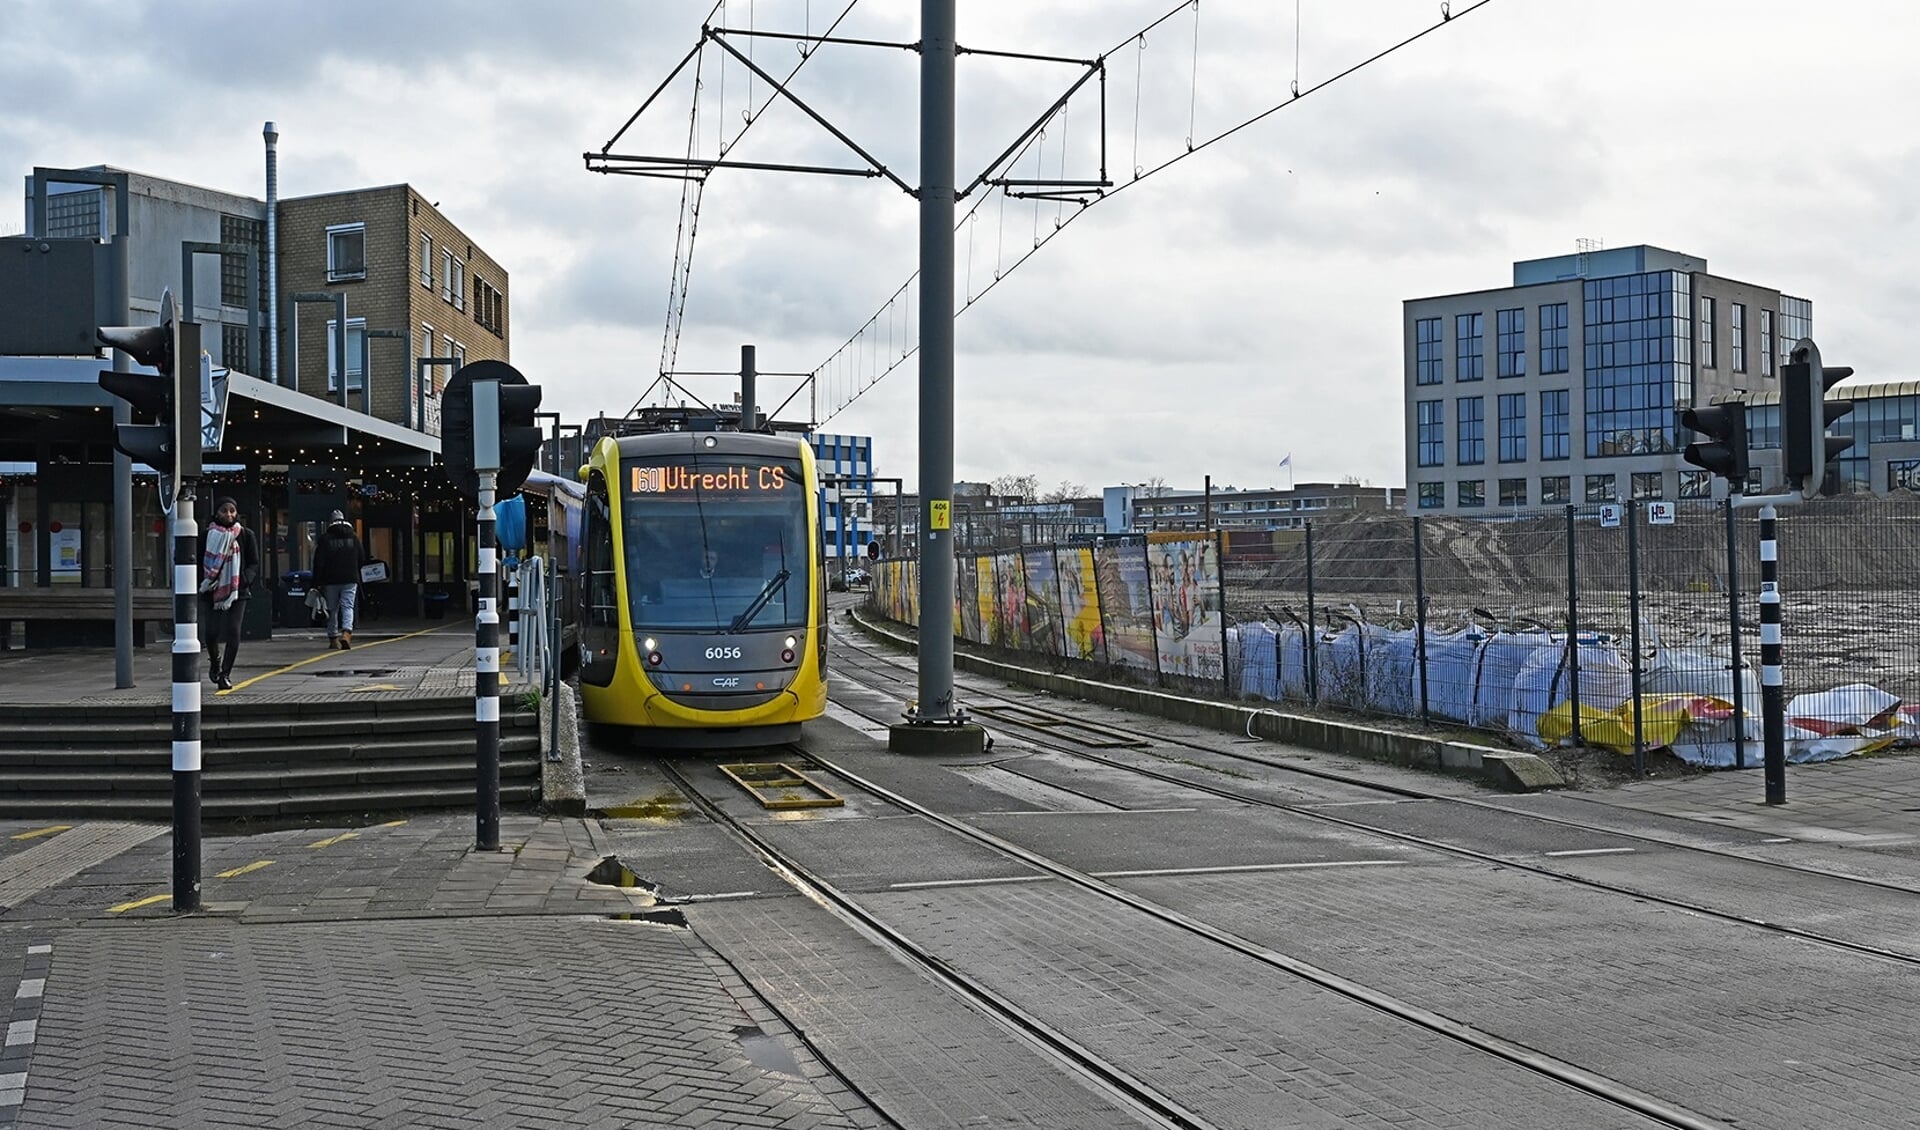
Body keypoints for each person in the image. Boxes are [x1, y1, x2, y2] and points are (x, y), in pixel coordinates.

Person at [198, 497, 260, 691]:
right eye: (224, 510)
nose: (229, 514)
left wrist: (243, 580)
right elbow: (198, 560)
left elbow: (254, 562)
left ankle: (225, 674)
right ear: (217, 513)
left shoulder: (245, 535)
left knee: (234, 631)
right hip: (212, 588)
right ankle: (215, 662)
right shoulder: (206, 535)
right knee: (211, 633)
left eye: (232, 510)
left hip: (237, 590)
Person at [311, 510, 369, 650]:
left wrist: (317, 581)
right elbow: (362, 557)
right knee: (348, 606)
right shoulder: (354, 537)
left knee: (332, 609)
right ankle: (346, 633)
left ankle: (333, 638)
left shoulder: (325, 539)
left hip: (330, 580)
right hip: (350, 578)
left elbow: (319, 562)